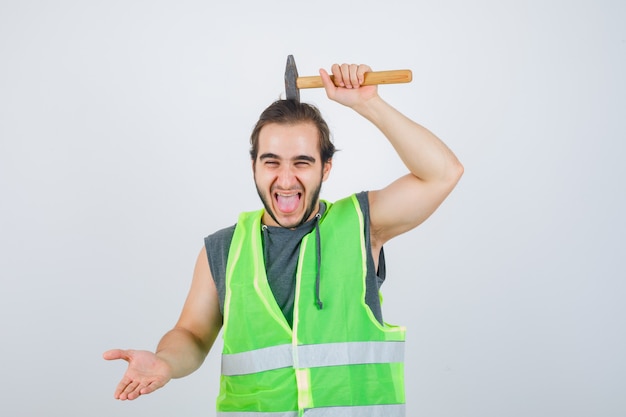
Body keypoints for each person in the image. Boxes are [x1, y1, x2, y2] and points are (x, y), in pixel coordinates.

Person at [103, 62, 463, 416]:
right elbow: (192, 335)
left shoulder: (362, 225)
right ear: (254, 166)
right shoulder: (225, 249)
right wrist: (164, 362)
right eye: (271, 162)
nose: (286, 179)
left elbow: (443, 173)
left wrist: (369, 103)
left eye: (302, 162)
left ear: (326, 168)